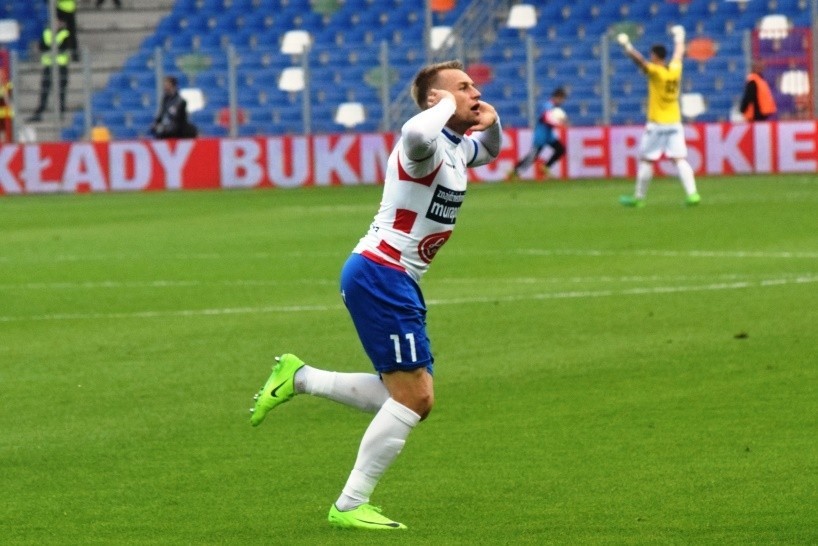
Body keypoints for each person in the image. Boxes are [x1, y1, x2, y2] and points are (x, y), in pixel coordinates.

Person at [249, 60, 501, 531]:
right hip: (381, 273)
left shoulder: (454, 148)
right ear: (435, 102)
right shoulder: (420, 149)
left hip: (393, 279)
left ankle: (299, 377)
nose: (475, 93)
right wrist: (446, 104)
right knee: (416, 398)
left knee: (402, 394)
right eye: (462, 87)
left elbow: (488, 149)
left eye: (473, 86)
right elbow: (412, 133)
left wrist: (492, 120)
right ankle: (349, 505)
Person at [616, 26, 700, 207]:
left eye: (651, 55)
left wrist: (627, 46)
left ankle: (638, 199)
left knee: (647, 159)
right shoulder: (675, 70)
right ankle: (693, 194)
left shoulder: (656, 72)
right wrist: (680, 36)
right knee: (679, 159)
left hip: (657, 123)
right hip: (675, 122)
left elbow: (640, 62)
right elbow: (678, 53)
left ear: (655, 56)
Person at [510, 87, 568, 179]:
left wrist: (560, 122)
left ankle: (546, 167)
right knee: (532, 157)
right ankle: (514, 172)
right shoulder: (548, 105)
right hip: (541, 135)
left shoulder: (554, 107)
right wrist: (558, 123)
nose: (562, 101)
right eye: (562, 99)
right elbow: (546, 118)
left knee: (561, 149)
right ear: (557, 97)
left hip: (549, 135)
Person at [26, 20, 70, 122]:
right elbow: (42, 47)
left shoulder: (64, 33)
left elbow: (64, 47)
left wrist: (50, 47)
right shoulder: (46, 32)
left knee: (61, 90)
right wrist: (53, 47)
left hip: (61, 65)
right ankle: (39, 113)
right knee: (44, 90)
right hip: (49, 66)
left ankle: (60, 113)